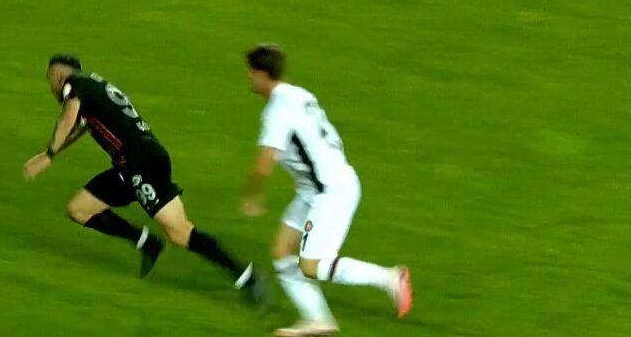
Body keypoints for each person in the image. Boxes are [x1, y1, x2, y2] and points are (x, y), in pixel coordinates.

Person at [24, 54, 265, 305]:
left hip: (142, 164)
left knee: (180, 232)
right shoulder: (92, 88)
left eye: (50, 80)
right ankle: (148, 243)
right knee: (79, 209)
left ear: (58, 75)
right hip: (128, 166)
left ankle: (246, 276)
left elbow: (68, 118)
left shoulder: (75, 85)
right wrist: (52, 152)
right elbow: (80, 126)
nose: (51, 87)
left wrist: (49, 156)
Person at [239, 44, 413, 336]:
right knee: (282, 250)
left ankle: (390, 278)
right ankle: (317, 319)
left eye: (250, 72)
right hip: (319, 186)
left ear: (261, 74)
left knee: (313, 265)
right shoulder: (300, 94)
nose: (247, 77)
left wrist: (252, 196)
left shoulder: (276, 112)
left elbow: (263, 165)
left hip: (330, 192)